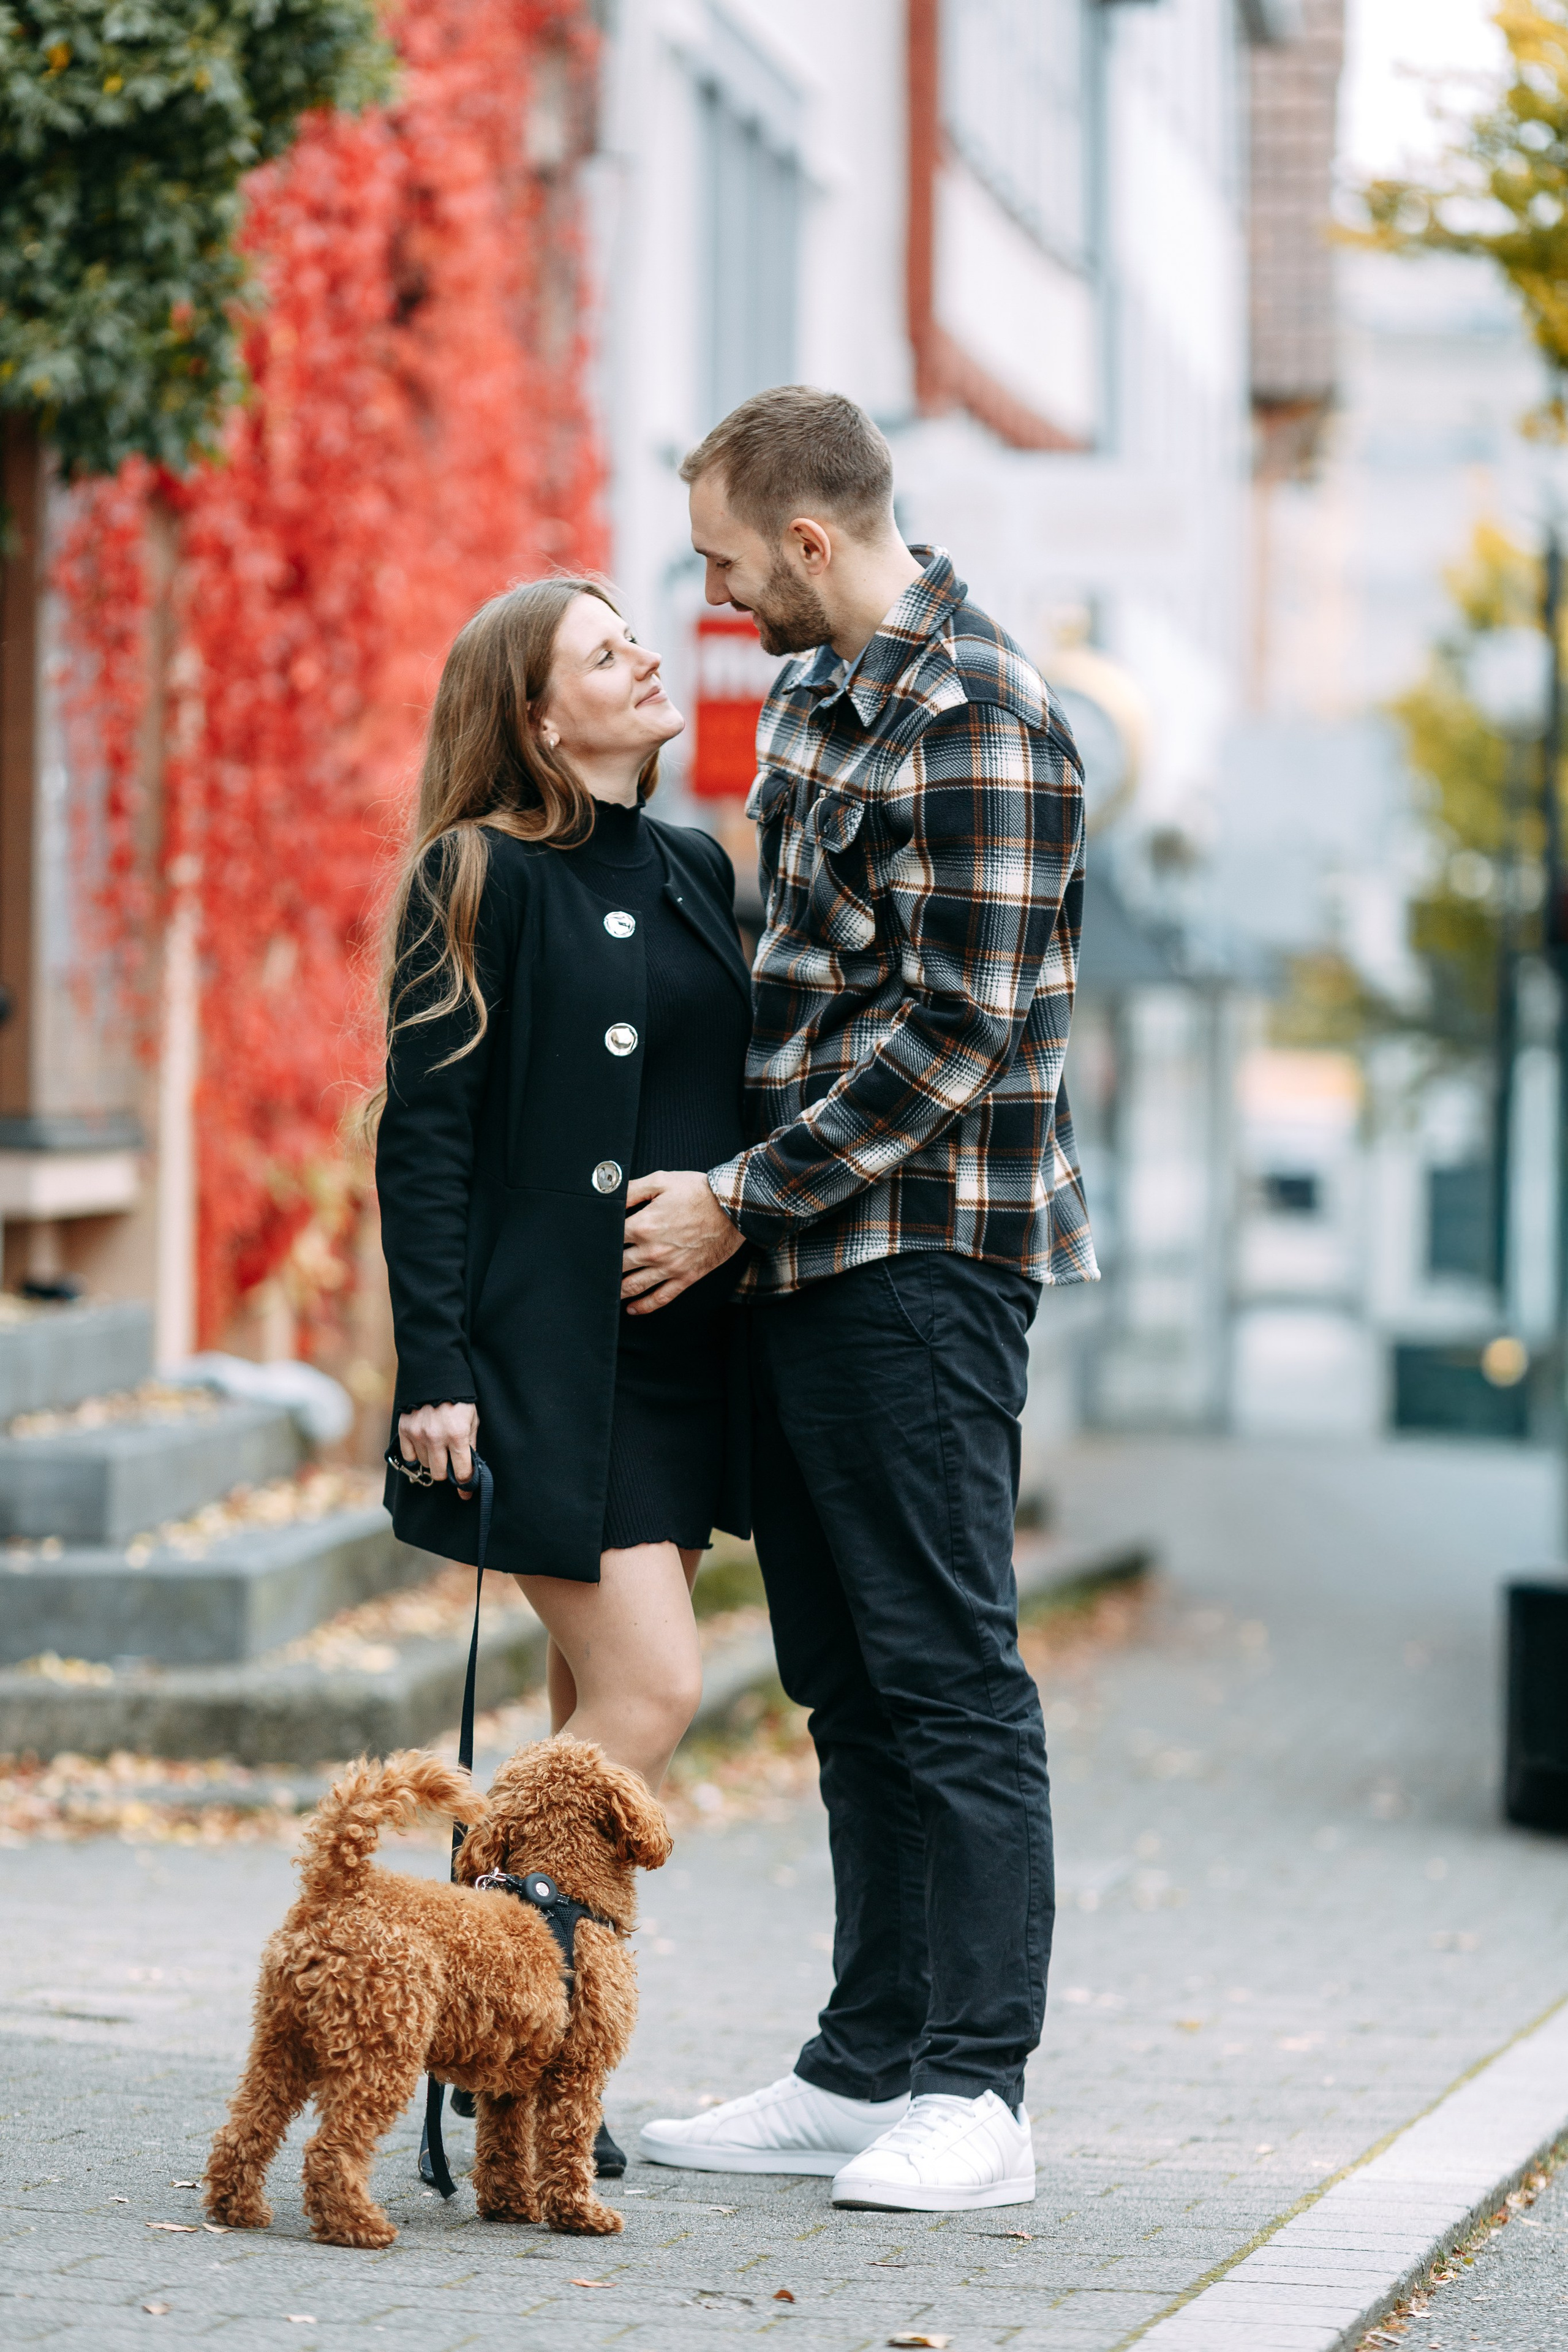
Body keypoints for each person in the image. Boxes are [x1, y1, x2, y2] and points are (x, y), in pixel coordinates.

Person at [630, 387, 1097, 2213]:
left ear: (811, 543)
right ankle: (865, 2065)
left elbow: (958, 1035)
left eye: (729, 565)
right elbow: (796, 980)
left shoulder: (985, 721)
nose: (720, 596)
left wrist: (742, 1199)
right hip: (808, 1262)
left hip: (921, 1265)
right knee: (839, 1675)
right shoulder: (826, 698)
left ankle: (979, 2095)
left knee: (947, 1676)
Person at [370, 576, 755, 2171]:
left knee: (588, 1700)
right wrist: (436, 1373)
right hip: (532, 1367)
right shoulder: (475, 877)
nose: (646, 655)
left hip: (669, 1364)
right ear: (536, 717)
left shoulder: (691, 867)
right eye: (605, 652)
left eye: (634, 635)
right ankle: (495, 1997)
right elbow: (431, 1138)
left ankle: (532, 2055)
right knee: (656, 1689)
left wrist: (730, 1211)